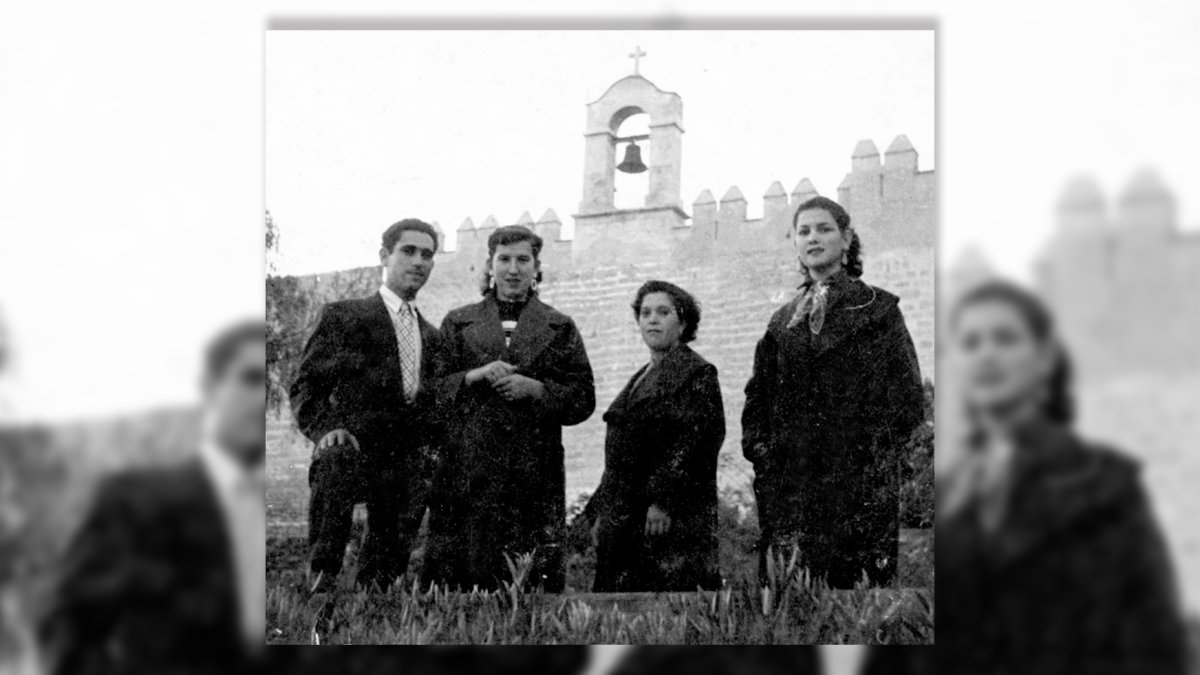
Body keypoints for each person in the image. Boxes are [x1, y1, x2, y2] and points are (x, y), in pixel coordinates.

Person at [936, 279, 1189, 674]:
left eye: (1005, 338)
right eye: (970, 343)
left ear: (1045, 358)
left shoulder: (1104, 486)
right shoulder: (942, 494)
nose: (986, 355)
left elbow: (1156, 643)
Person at [38, 320, 267, 674]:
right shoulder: (136, 502)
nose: (264, 397)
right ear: (211, 387)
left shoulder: (277, 509)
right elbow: (69, 627)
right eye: (251, 379)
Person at [742, 196, 924, 588]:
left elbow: (907, 398)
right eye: (803, 231)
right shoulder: (781, 323)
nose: (813, 238)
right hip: (791, 491)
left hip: (858, 490)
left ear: (846, 239)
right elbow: (757, 399)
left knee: (855, 604)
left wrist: (872, 459)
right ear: (795, 243)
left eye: (824, 229)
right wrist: (764, 456)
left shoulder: (878, 310)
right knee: (791, 602)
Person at [424, 225, 595, 591]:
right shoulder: (458, 322)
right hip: (468, 470)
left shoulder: (559, 327)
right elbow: (431, 393)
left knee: (528, 581)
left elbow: (583, 399)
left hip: (533, 473)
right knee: (464, 579)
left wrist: (536, 389)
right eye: (504, 259)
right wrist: (474, 375)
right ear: (490, 266)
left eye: (523, 259)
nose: (513, 269)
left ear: (537, 268)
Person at [290, 219, 442, 592]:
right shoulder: (345, 316)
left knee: (413, 488)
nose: (418, 261)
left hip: (402, 457)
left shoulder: (432, 336)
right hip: (352, 449)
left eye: (427, 255)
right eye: (408, 251)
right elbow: (307, 386)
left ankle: (376, 600)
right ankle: (319, 589)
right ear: (384, 256)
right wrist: (326, 429)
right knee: (336, 458)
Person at [586, 280, 724, 592]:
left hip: (666, 520)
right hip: (625, 518)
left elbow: (696, 442)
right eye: (645, 312)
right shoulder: (640, 377)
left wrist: (664, 500)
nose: (652, 319)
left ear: (683, 322)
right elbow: (619, 457)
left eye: (663, 312)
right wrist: (600, 510)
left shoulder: (697, 373)